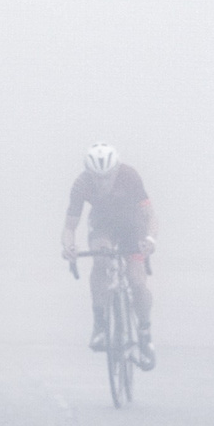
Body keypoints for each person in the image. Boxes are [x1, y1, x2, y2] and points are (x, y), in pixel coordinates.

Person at [61, 143, 157, 368]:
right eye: (97, 177)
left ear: (116, 171)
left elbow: (150, 215)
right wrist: (69, 247)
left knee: (137, 281)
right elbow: (69, 227)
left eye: (107, 177)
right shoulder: (81, 184)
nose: (102, 183)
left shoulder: (129, 176)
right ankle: (100, 325)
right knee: (101, 260)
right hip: (103, 225)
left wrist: (150, 240)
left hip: (132, 225)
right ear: (89, 173)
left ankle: (145, 333)